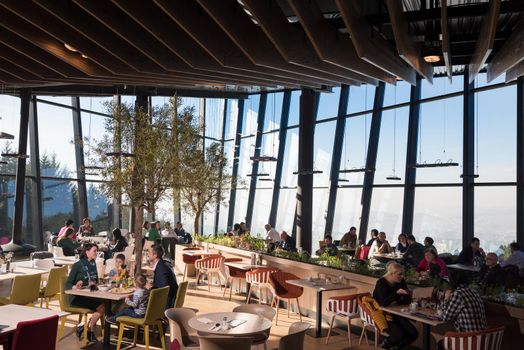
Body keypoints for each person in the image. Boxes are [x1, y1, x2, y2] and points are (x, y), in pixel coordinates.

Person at [373, 262, 418, 349]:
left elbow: (406, 301)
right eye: (399, 274)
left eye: (403, 274)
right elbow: (383, 303)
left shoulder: (400, 281)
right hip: (383, 314)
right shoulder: (381, 283)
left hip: (397, 313)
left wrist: (408, 294)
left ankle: (396, 348)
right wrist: (397, 293)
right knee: (398, 334)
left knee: (413, 333)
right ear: (391, 274)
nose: (402, 276)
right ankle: (383, 347)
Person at [66, 243, 104, 342]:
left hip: (89, 295)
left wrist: (95, 283)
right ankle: (90, 331)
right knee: (102, 307)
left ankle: (83, 327)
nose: (96, 253)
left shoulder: (93, 263)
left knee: (107, 304)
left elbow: (94, 280)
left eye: (97, 251)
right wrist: (76, 286)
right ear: (87, 252)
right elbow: (68, 284)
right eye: (94, 251)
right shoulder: (77, 265)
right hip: (76, 298)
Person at [146, 245, 178, 309]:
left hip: (166, 304)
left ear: (155, 256)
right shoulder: (163, 264)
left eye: (149, 252)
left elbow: (163, 290)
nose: (147, 254)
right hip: (171, 299)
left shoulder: (161, 269)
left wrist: (150, 288)